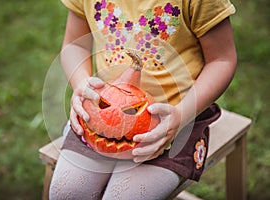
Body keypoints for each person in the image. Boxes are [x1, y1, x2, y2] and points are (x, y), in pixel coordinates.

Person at [49, 0, 237, 199]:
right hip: (102, 119)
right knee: (67, 194)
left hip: (175, 125)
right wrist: (81, 83)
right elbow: (75, 44)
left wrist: (181, 116)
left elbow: (222, 59)